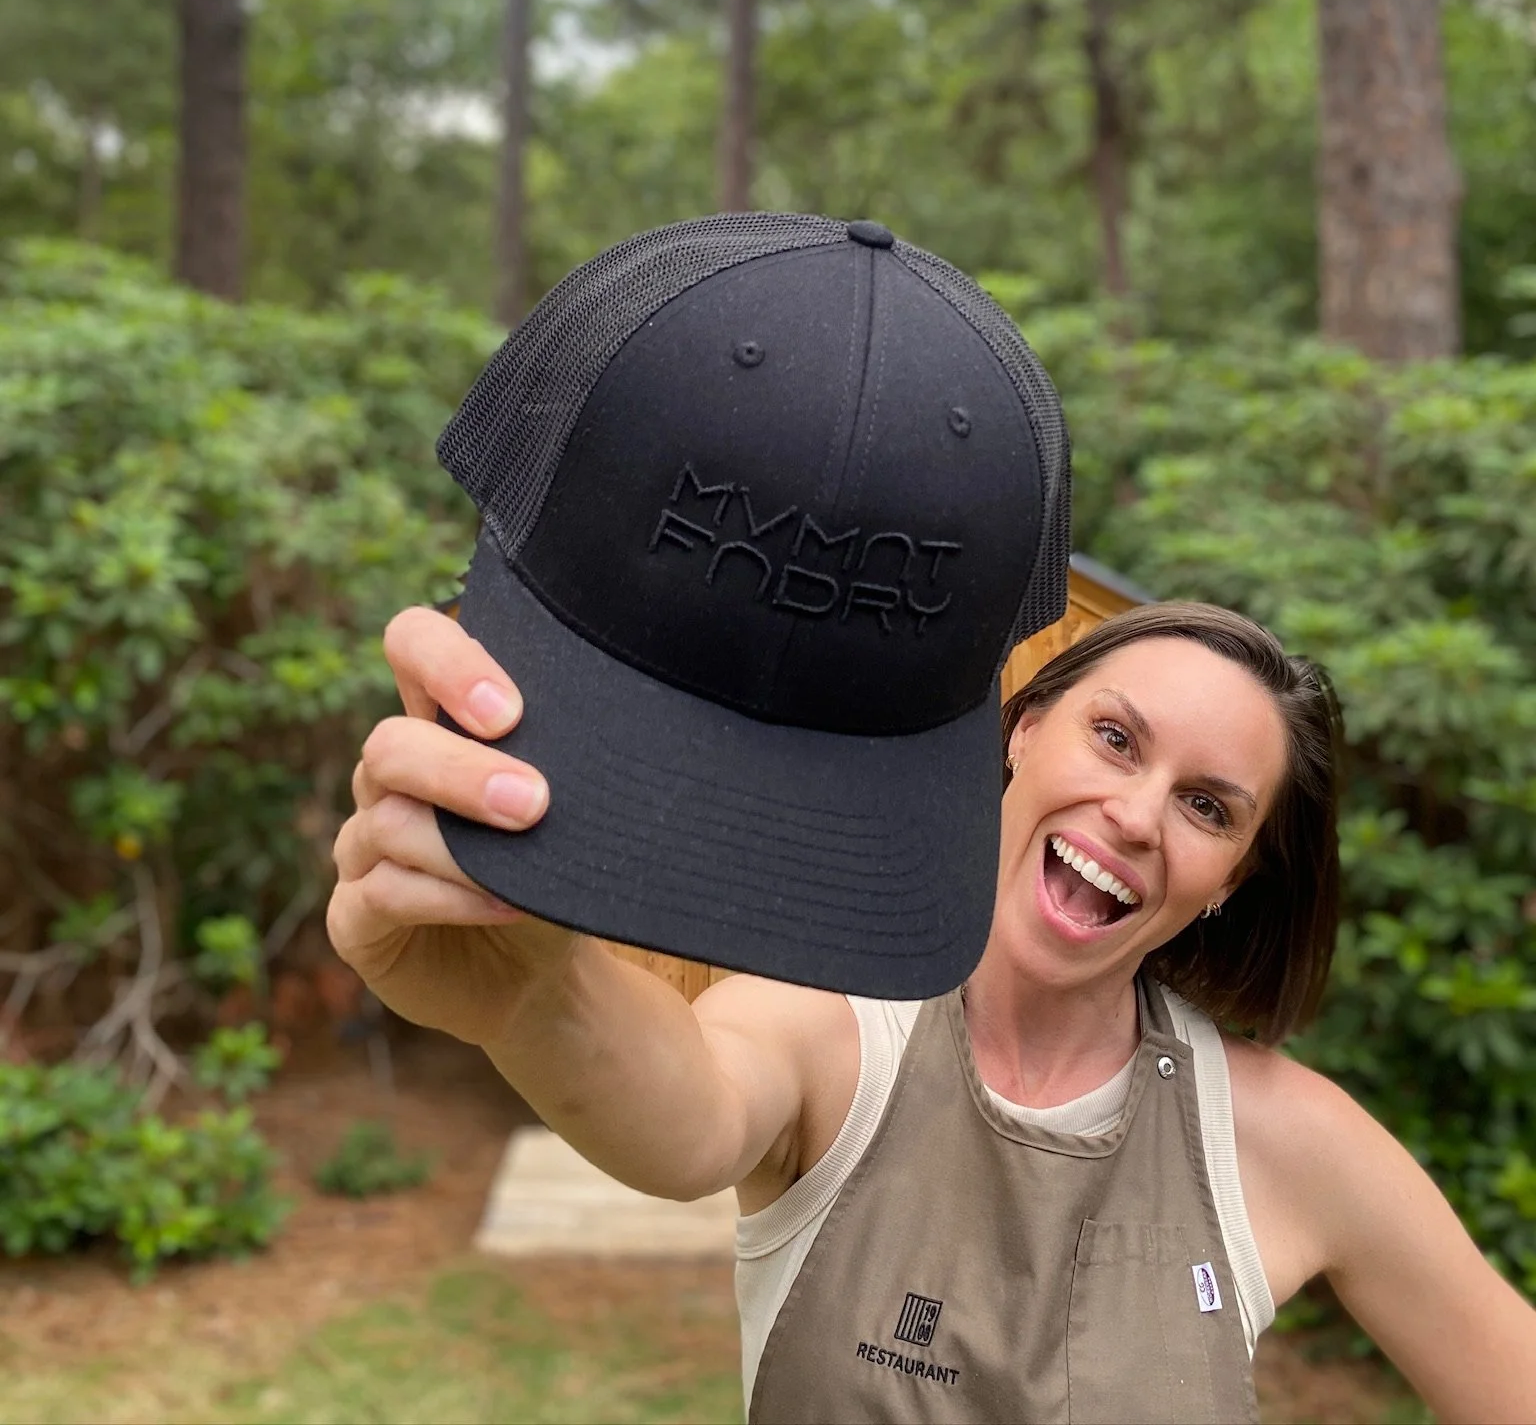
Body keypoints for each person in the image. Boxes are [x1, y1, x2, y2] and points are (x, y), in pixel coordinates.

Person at [328, 597, 1536, 1424]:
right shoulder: (834, 1024)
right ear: (1020, 732)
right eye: (1115, 738)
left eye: (1209, 806)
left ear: (1232, 883)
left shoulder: (1284, 1139)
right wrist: (533, 984)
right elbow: (682, 1121)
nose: (1135, 812)